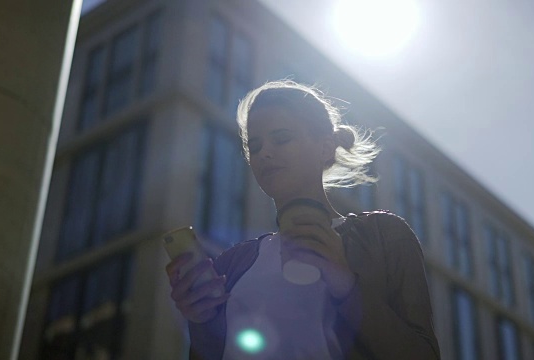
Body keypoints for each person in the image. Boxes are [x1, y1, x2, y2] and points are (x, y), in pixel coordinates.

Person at [166, 80, 441, 359]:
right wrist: (201, 321)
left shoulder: (384, 235)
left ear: (326, 148)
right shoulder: (231, 264)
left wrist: (346, 285)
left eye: (281, 138)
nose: (265, 153)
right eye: (255, 145)